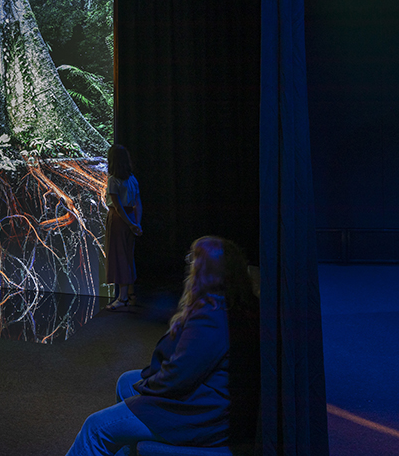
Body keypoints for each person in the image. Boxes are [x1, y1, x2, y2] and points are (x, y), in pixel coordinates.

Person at [66, 236, 260, 455]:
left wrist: (147, 386)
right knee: (126, 381)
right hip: (211, 400)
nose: (189, 266)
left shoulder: (211, 316)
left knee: (95, 428)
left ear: (207, 270)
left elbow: (179, 374)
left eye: (193, 260)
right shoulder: (235, 305)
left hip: (203, 415)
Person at [104, 144, 143, 311]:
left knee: (120, 256)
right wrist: (136, 223)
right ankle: (131, 294)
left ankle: (123, 298)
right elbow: (137, 203)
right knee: (128, 255)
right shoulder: (132, 179)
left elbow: (118, 207)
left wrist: (130, 224)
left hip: (119, 220)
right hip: (131, 217)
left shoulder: (113, 180)